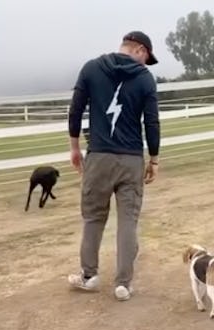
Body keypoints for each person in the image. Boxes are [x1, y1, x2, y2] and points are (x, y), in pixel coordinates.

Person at [66, 31, 161, 301]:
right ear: (140, 50)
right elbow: (151, 122)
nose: (145, 65)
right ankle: (123, 283)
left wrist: (74, 147)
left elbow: (75, 110)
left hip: (98, 156)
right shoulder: (144, 78)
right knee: (128, 220)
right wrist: (153, 158)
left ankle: (89, 275)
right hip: (131, 158)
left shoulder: (91, 68)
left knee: (94, 217)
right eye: (147, 58)